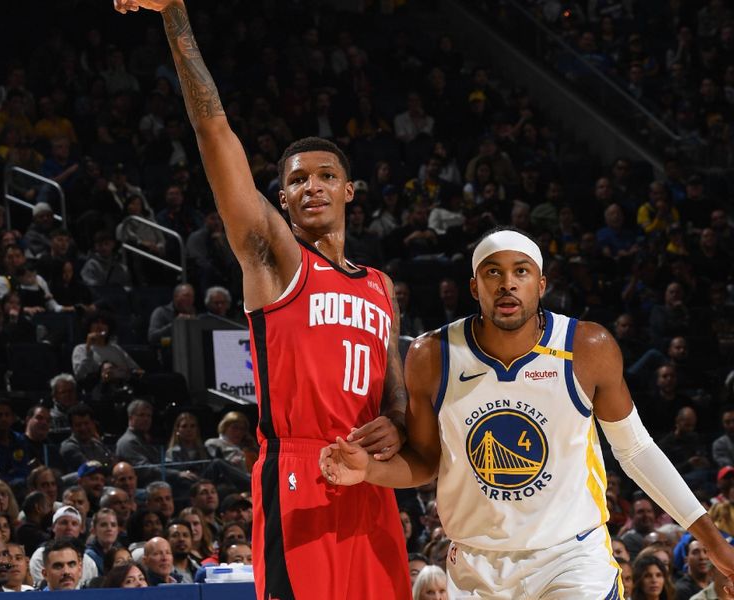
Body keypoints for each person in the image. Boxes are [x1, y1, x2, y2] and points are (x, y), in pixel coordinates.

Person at [114, 3, 409, 598]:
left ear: (348, 190)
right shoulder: (275, 257)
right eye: (297, 180)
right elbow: (213, 132)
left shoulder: (379, 285)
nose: (311, 186)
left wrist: (398, 425)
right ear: (282, 197)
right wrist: (176, 15)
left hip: (370, 482)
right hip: (297, 471)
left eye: (325, 175)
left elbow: (393, 386)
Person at [321, 226, 734, 598]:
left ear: (541, 285)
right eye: (492, 273)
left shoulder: (586, 347)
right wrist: (369, 471)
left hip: (571, 559)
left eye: (520, 272)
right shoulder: (432, 355)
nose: (507, 284)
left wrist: (715, 543)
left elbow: (637, 451)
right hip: (475, 565)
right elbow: (426, 464)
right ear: (473, 286)